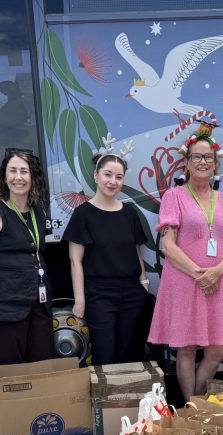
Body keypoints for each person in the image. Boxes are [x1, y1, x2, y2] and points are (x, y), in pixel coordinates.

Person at [148, 122, 223, 403]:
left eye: (208, 157)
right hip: (185, 281)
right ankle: (191, 406)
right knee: (187, 348)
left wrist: (217, 271)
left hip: (218, 279)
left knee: (217, 349)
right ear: (186, 164)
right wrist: (199, 274)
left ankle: (198, 401)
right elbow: (167, 244)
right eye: (197, 157)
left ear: (216, 164)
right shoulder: (173, 197)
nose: (203, 162)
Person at [63, 141, 149, 365]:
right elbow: (75, 260)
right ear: (96, 175)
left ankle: (129, 399)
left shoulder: (129, 213)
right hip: (99, 295)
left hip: (132, 292)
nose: (113, 181)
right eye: (108, 175)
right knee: (104, 353)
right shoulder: (83, 214)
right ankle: (106, 399)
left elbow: (136, 250)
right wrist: (80, 299)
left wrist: (144, 282)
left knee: (130, 351)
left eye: (119, 177)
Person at [0, 148, 55, 366]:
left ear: (33, 177)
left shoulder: (38, 211)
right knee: (11, 376)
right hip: (5, 307)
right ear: (5, 177)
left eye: (24, 171)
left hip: (38, 304)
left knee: (42, 368)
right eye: (13, 171)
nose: (18, 177)